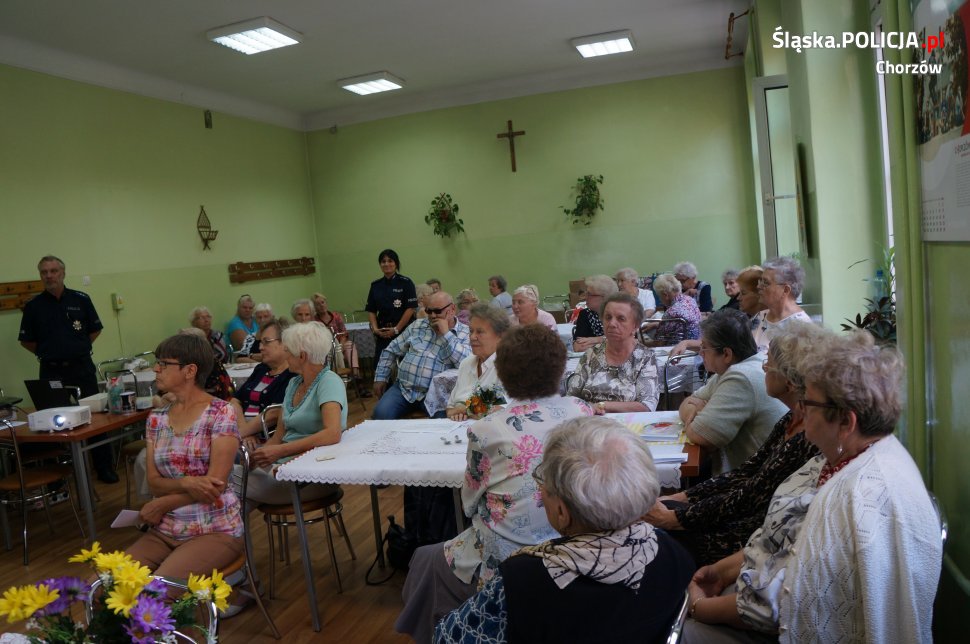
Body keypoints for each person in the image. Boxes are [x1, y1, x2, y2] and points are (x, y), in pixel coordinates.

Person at [683, 331, 942, 643]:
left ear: (846, 422)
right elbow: (776, 536)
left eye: (808, 403)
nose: (801, 411)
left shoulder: (856, 496)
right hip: (752, 586)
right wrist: (721, 571)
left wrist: (697, 607)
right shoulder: (843, 455)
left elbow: (769, 609)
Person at [396, 324, 593, 643]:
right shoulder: (582, 411)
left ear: (503, 371)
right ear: (560, 367)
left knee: (425, 559)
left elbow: (470, 503)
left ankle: (452, 632)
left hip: (511, 553)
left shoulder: (488, 429)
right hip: (574, 540)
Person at [435, 417, 695, 644]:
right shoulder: (672, 552)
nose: (539, 490)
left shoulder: (523, 581)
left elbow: (447, 638)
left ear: (562, 512)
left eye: (542, 483)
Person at [645, 322, 825, 566]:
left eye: (768, 365)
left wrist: (676, 517)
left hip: (754, 529)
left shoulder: (808, 435)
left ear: (790, 381)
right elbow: (747, 471)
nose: (763, 369)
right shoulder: (790, 418)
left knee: (649, 540)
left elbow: (750, 495)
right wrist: (682, 496)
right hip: (743, 511)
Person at [126, 333, 243, 581]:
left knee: (156, 592)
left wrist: (163, 503)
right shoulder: (157, 418)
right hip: (166, 530)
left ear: (190, 371)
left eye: (164, 364)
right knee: (106, 587)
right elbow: (155, 482)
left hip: (214, 528)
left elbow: (214, 486)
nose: (156, 369)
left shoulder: (221, 412)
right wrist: (187, 482)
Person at [18, 255, 117, 483]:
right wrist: (52, 353)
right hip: (52, 371)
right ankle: (56, 477)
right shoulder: (34, 306)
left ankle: (104, 468)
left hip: (81, 368)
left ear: (63, 273)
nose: (49, 275)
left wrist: (77, 348)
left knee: (95, 418)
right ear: (40, 275)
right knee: (52, 422)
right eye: (44, 272)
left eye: (53, 271)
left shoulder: (81, 299)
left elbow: (94, 330)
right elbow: (27, 341)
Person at [245, 321, 347, 504]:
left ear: (302, 356)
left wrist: (280, 451)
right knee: (235, 480)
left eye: (288, 351)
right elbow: (279, 436)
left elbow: (332, 433)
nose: (286, 356)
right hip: (286, 467)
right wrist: (261, 455)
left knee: (232, 483)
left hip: (313, 474)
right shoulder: (294, 384)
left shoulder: (329, 382)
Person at [680, 310, 787, 476]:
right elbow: (688, 402)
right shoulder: (734, 369)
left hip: (753, 480)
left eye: (705, 347)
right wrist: (700, 410)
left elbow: (699, 435)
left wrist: (697, 413)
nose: (701, 353)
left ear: (726, 354)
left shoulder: (741, 377)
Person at [372, 291, 470, 419]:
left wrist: (446, 334)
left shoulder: (465, 333)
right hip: (404, 389)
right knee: (380, 415)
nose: (433, 315)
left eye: (437, 311)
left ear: (452, 309)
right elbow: (391, 350)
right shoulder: (418, 325)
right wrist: (380, 377)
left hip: (438, 395)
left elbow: (466, 364)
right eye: (429, 311)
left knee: (445, 424)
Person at [567, 293, 659, 413]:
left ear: (635, 325)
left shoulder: (645, 357)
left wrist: (601, 406)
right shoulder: (591, 354)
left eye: (621, 318)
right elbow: (572, 397)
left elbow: (647, 406)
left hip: (629, 425)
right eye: (608, 317)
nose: (612, 324)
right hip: (590, 422)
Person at [229, 319, 296, 449]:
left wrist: (240, 434)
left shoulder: (293, 375)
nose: (260, 347)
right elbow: (235, 401)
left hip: (268, 440)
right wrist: (245, 432)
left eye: (266, 342)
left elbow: (274, 414)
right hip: (244, 433)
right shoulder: (262, 368)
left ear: (285, 343)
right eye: (260, 342)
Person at [445, 303, 508, 420]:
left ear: (500, 336)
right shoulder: (466, 363)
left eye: (480, 332)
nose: (472, 337)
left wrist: (464, 410)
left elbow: (503, 410)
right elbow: (450, 408)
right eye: (471, 331)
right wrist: (457, 412)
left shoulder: (508, 365)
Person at [365, 248, 418, 362]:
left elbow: (410, 308)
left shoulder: (406, 283)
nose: (386, 264)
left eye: (390, 261)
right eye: (383, 261)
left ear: (396, 263)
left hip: (403, 332)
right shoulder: (376, 285)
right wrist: (375, 329)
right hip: (383, 333)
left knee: (403, 365)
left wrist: (396, 329)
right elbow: (371, 310)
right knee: (380, 366)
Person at [751, 256, 811, 353]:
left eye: (765, 282)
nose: (758, 286)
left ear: (785, 290)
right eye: (760, 281)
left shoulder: (802, 328)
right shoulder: (759, 317)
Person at [312, 292, 362, 388]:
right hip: (325, 349)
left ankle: (357, 377)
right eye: (317, 304)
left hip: (340, 344)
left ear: (326, 303)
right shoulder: (314, 321)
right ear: (314, 308)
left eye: (322, 302)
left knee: (350, 346)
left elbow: (343, 333)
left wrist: (341, 346)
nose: (321, 306)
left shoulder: (336, 316)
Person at [650, 273, 702, 342]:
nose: (660, 299)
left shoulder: (671, 312)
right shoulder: (690, 300)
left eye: (659, 296)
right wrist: (656, 324)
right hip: (696, 344)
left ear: (665, 295)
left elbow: (659, 342)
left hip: (677, 349)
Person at [571, 274, 618, 352]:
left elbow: (625, 341)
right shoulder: (585, 314)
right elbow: (578, 347)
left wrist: (598, 339)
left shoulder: (619, 315)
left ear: (604, 297)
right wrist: (607, 340)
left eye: (589, 294)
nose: (585, 297)